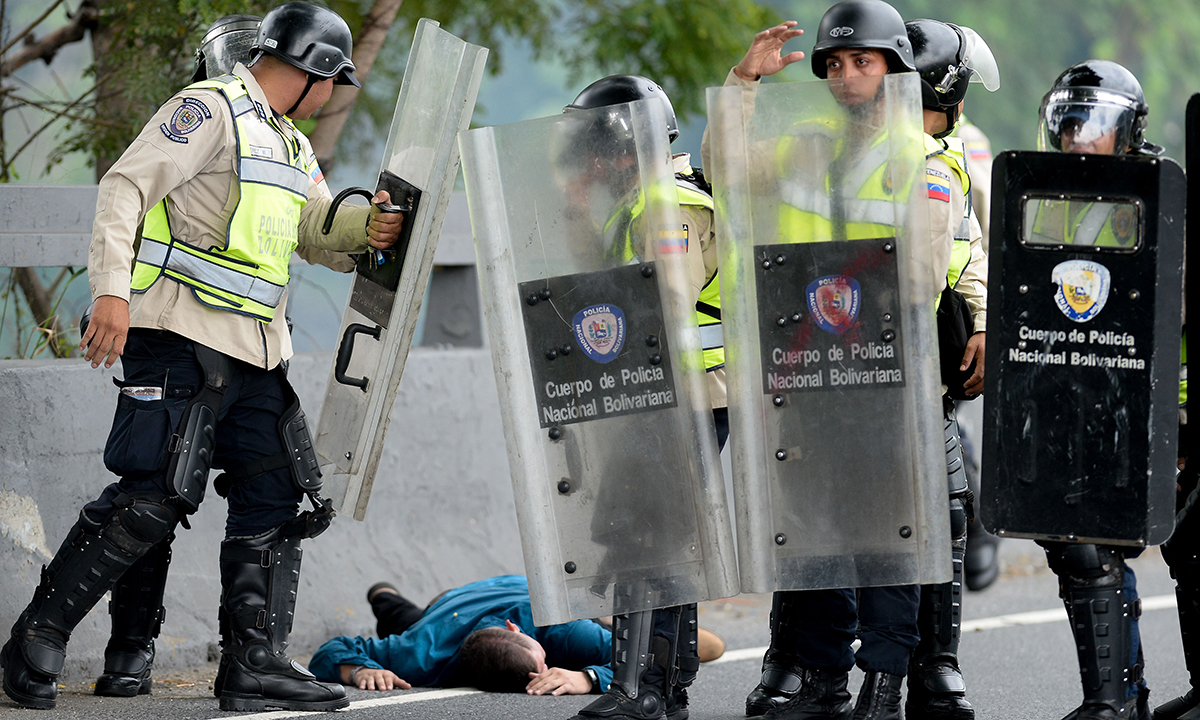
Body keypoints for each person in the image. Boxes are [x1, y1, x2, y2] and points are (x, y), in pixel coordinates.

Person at [0, 1, 403, 713]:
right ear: (310, 71)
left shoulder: (293, 144)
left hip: (254, 350)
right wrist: (111, 292)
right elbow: (125, 185)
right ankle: (35, 639)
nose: (329, 100)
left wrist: (366, 225)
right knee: (153, 496)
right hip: (178, 334)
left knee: (276, 491)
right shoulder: (210, 110)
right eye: (331, 84)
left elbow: (313, 231)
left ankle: (253, 665)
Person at [702, 3, 987, 719]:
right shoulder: (805, 144)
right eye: (833, 63)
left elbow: (921, 275)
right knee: (814, 530)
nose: (846, 75)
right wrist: (742, 86)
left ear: (895, 70)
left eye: (863, 61)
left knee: (890, 533)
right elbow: (727, 175)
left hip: (887, 372)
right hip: (806, 371)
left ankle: (885, 685)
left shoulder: (925, 163)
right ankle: (822, 677)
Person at [560, 74, 729, 720]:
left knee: (646, 535)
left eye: (599, 151)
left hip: (681, 395)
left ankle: (641, 688)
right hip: (663, 394)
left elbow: (664, 307)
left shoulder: (664, 206)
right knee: (655, 535)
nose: (593, 164)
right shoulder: (639, 204)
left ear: (627, 149)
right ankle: (662, 686)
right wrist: (577, 213)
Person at [1033, 59, 1165, 720]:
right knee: (1075, 545)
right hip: (1071, 392)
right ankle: (1117, 700)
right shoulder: (1045, 199)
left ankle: (1118, 701)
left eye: (1094, 125)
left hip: (1151, 398)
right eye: (1069, 124)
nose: (1078, 138)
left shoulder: (1161, 194)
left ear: (1128, 131)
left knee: (1114, 545)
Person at [310, 575, 613, 695]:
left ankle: (383, 594)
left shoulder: (560, 627)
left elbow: (638, 660)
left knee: (608, 628)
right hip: (446, 610)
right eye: (544, 664)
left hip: (507, 587)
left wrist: (587, 677)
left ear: (514, 627)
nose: (546, 669)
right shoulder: (423, 655)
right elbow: (330, 652)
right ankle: (383, 596)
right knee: (405, 623)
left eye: (542, 663)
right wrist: (360, 671)